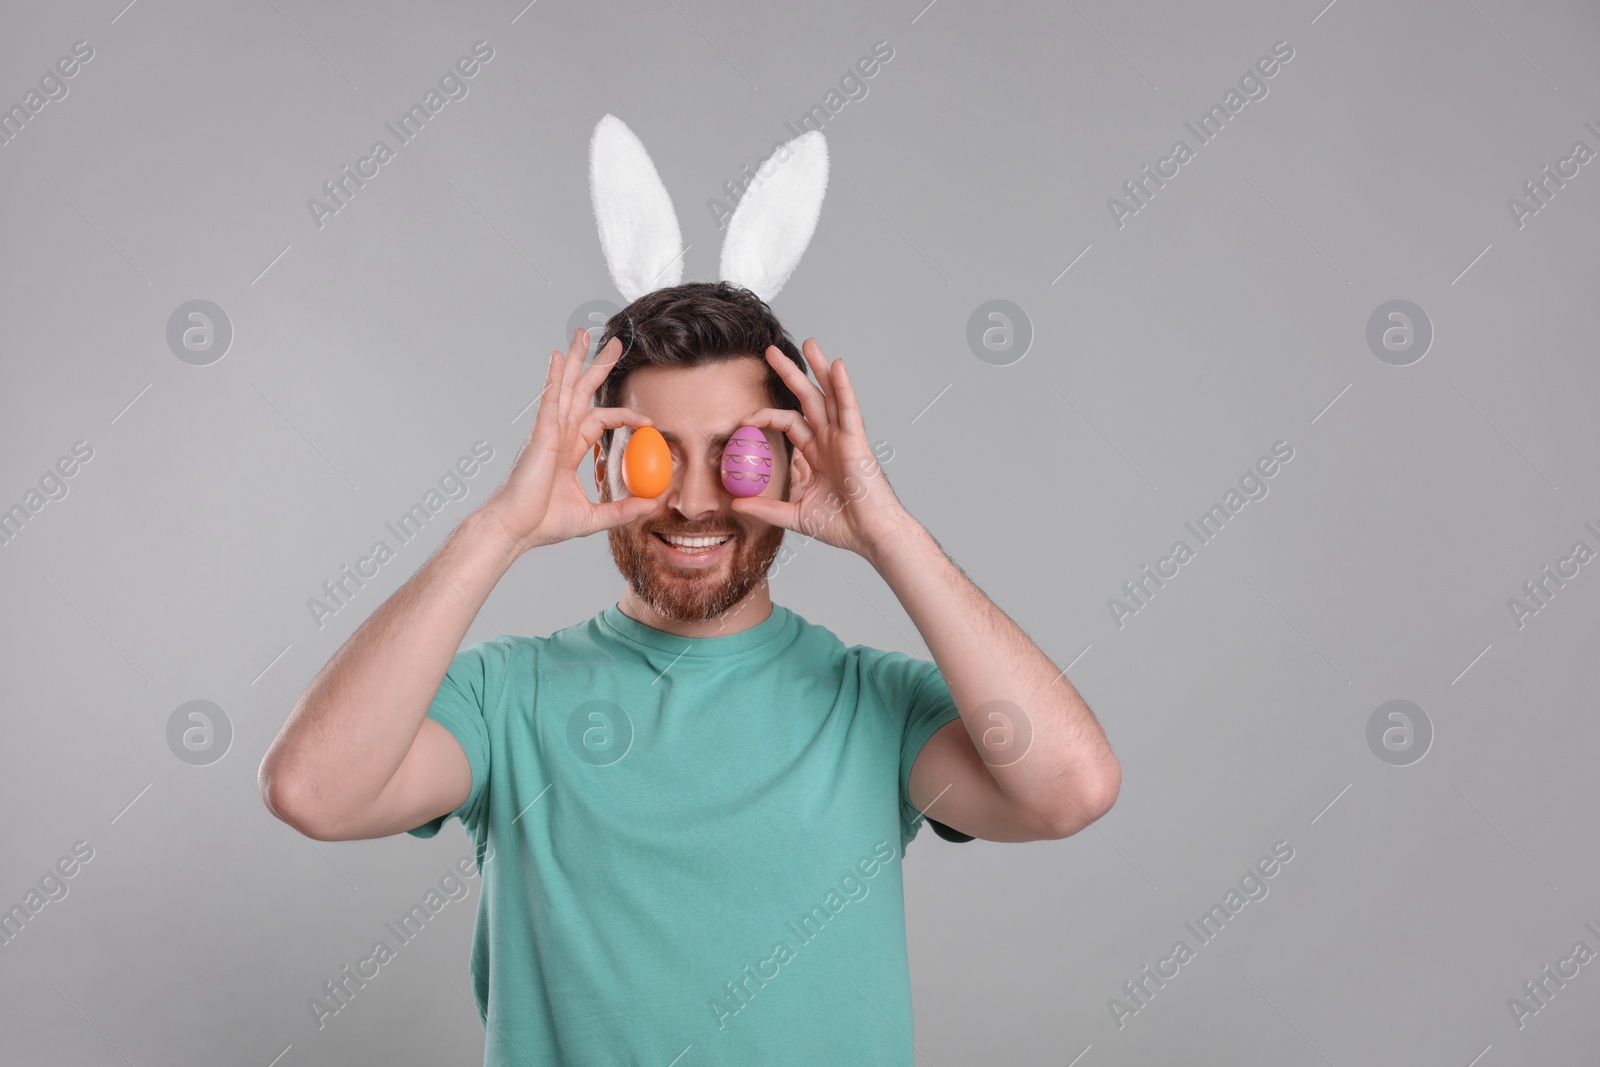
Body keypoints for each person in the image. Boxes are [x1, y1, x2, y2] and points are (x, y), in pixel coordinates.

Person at [258, 282, 1121, 1065]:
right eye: (655, 452)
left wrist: (886, 530)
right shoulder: (505, 700)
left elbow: (1071, 789)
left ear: (793, 464)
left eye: (737, 452)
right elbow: (311, 790)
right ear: (599, 462)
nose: (697, 501)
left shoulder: (873, 708)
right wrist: (500, 530)